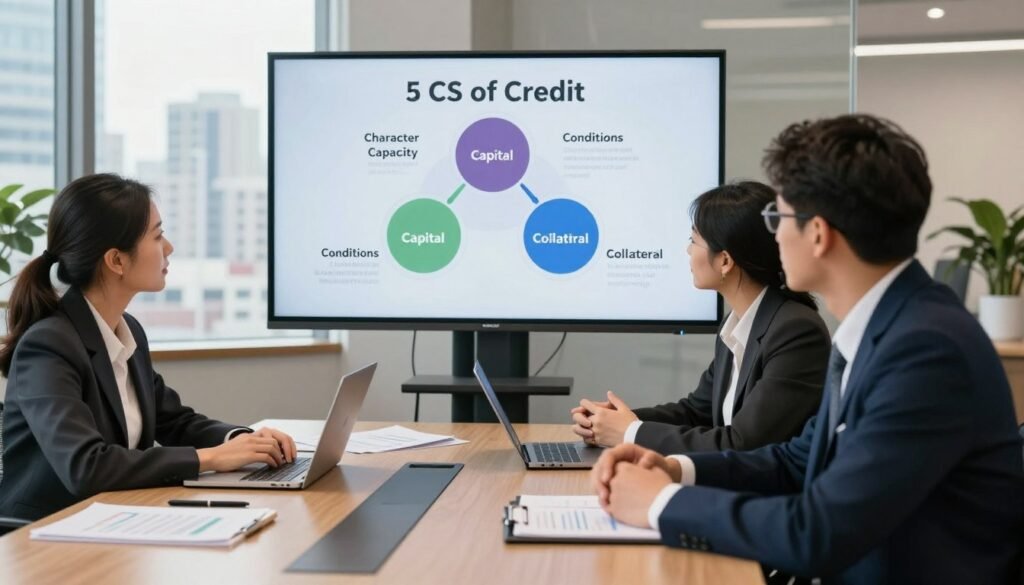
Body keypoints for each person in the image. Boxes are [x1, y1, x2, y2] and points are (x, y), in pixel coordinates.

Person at [591, 114, 1024, 584]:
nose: (773, 236)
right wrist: (675, 469)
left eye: (777, 217)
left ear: (818, 233)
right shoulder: (884, 327)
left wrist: (659, 502)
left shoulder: (926, 351)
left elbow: (818, 532)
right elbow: (798, 460)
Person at [0, 173, 298, 521]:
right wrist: (212, 458)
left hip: (112, 519)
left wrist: (246, 441)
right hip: (45, 535)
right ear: (117, 261)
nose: (168, 247)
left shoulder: (128, 333)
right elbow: (86, 466)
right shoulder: (49, 346)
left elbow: (174, 421)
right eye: (157, 235)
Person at [570, 181, 830, 454]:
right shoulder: (739, 325)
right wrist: (614, 421)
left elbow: (744, 444)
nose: (688, 251)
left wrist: (629, 432)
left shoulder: (795, 331)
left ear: (725, 261)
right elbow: (697, 412)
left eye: (694, 240)